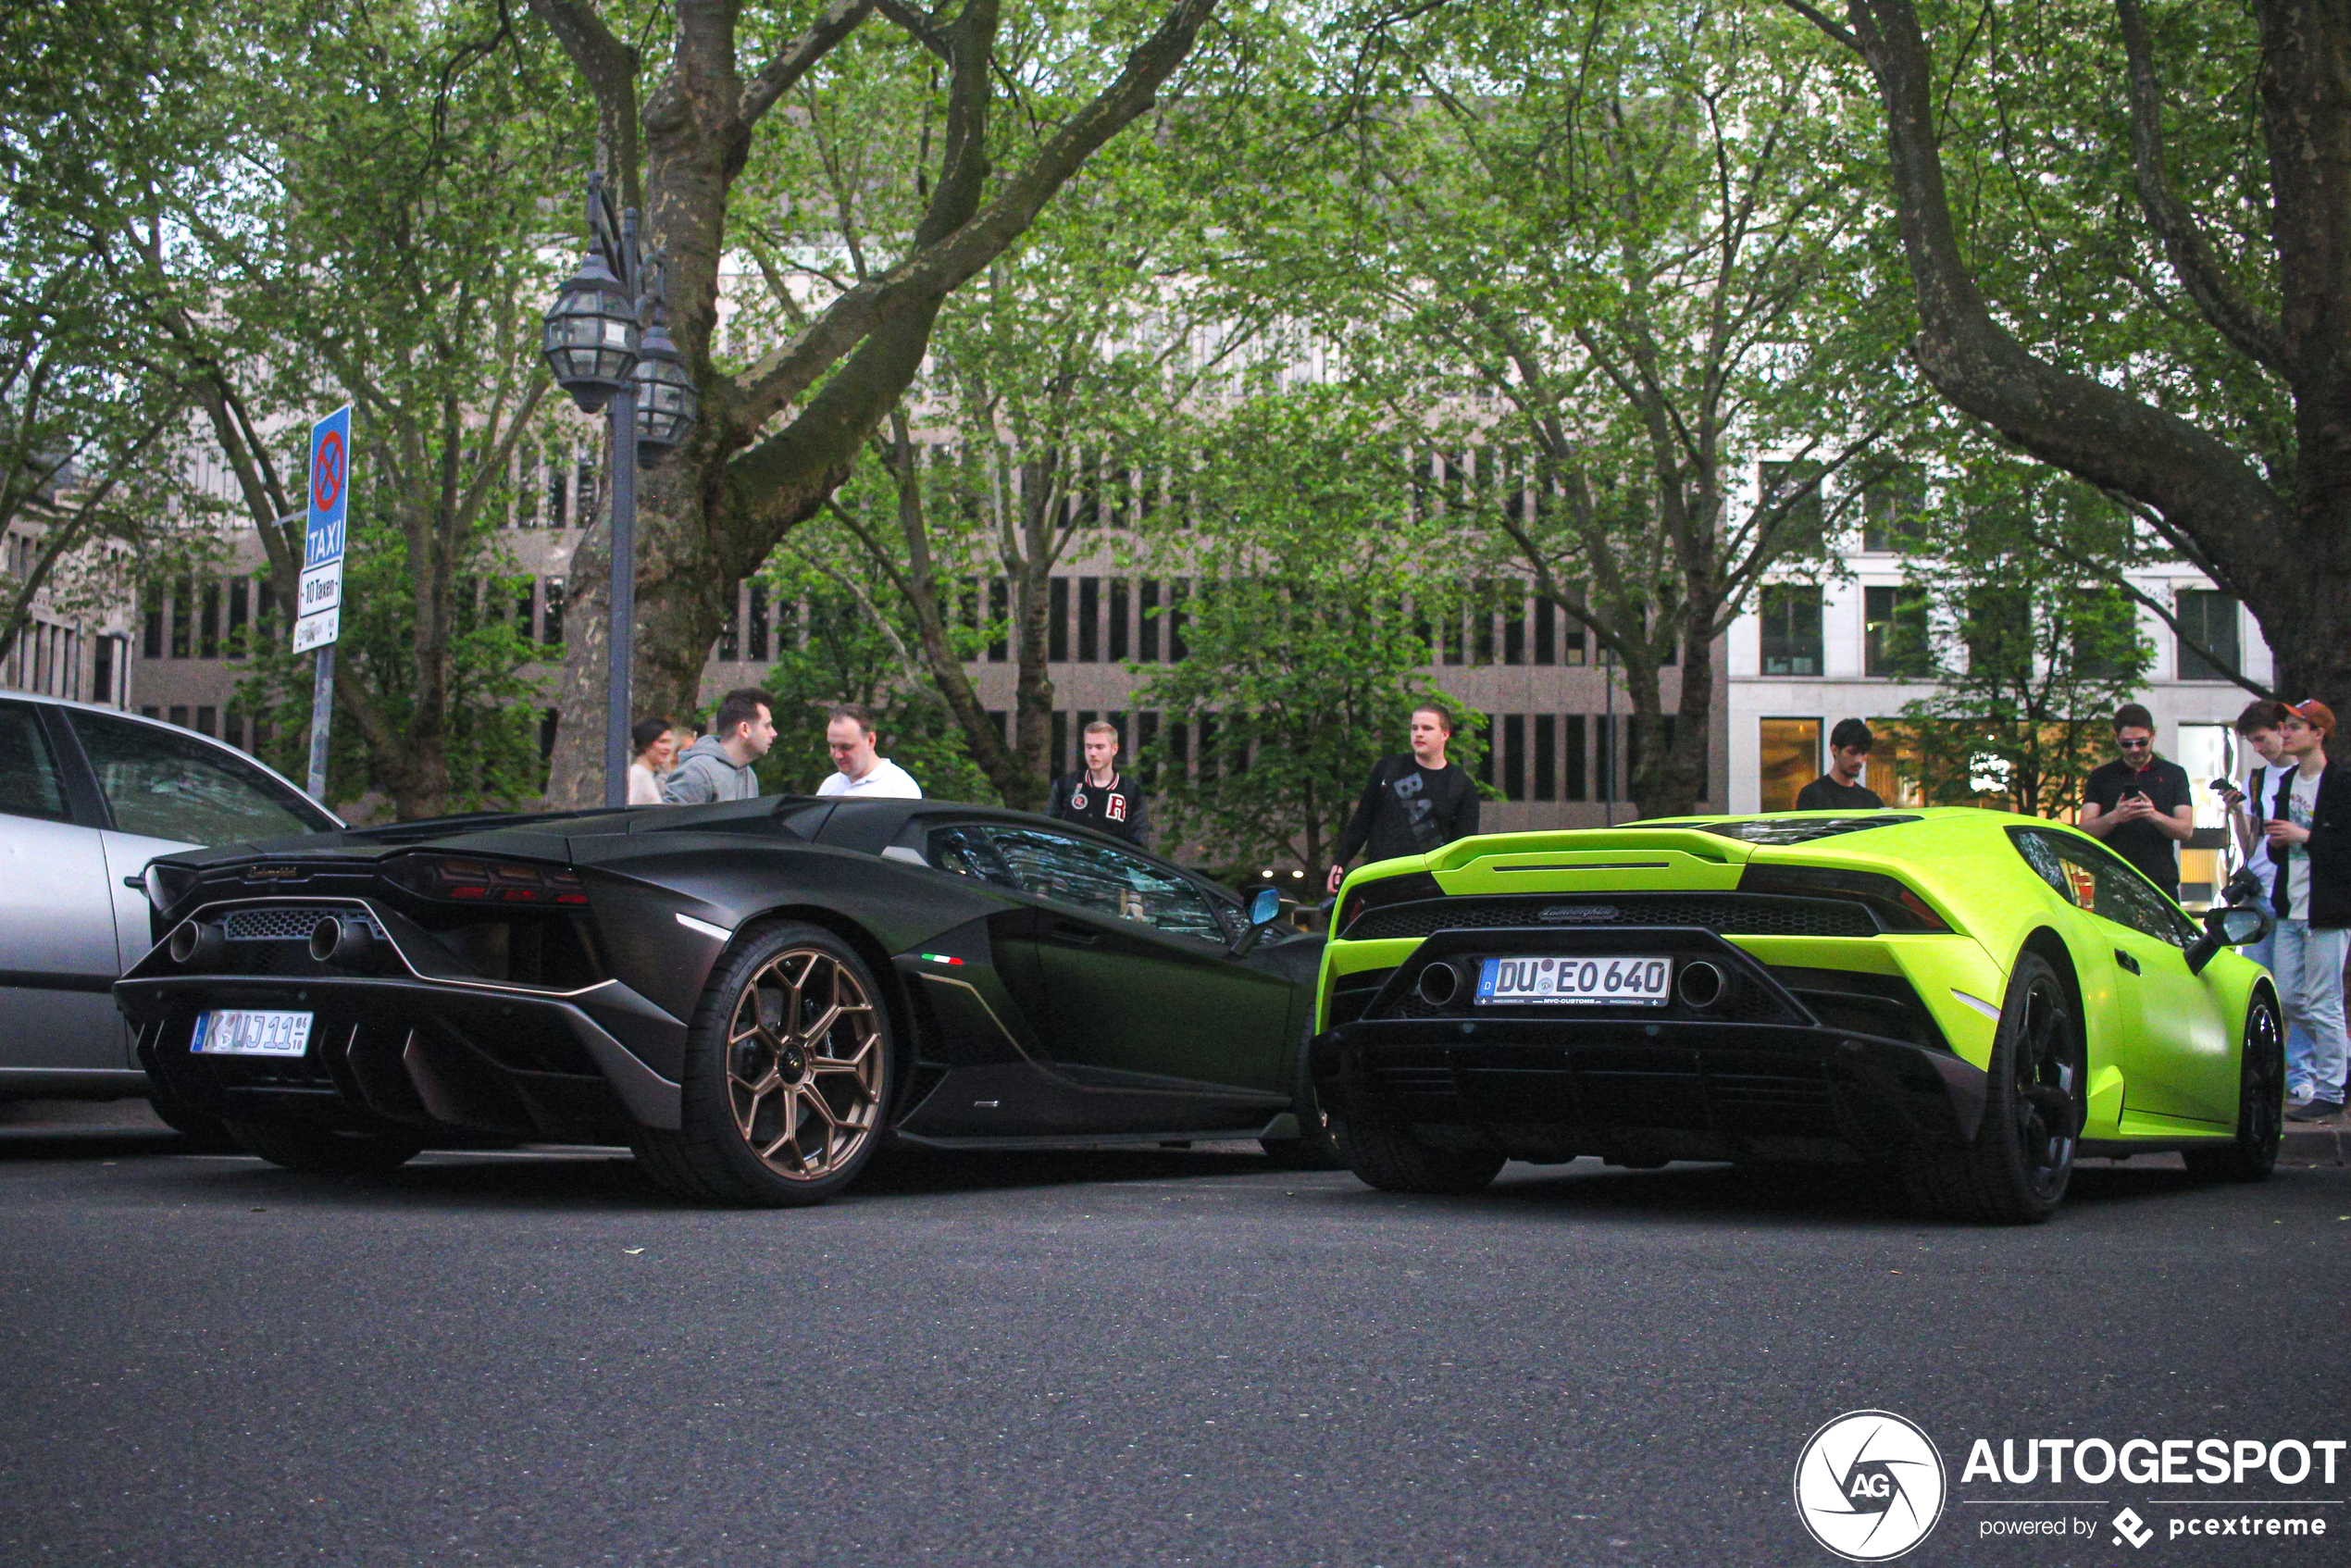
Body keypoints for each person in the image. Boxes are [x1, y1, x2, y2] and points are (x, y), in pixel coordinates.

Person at [2216, 699, 2320, 1100]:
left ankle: (2303, 1071)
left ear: (2282, 730)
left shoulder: (2305, 776)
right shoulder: (2259, 780)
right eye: (2253, 742)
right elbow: (2251, 844)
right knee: (2264, 985)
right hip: (2261, 888)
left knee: (2297, 989)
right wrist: (2236, 814)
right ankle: (2275, 1070)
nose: (2260, 748)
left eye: (2262, 739)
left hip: (2294, 891)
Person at [2259, 700, 2351, 1121]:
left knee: (2324, 1001)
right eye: (2286, 725)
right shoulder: (2287, 782)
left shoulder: (2340, 784)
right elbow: (2283, 854)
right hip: (2290, 907)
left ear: (2318, 733)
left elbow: (2343, 850)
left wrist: (2304, 836)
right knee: (2292, 999)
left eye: (2296, 726)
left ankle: (2332, 1089)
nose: (2287, 731)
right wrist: (2280, 843)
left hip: (2327, 911)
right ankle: (2338, 1064)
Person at [1325, 703, 1480, 896]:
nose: (1419, 734)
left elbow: (1462, 847)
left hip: (1427, 890)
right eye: (1414, 728)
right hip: (1379, 881)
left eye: (1427, 728)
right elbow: (1362, 819)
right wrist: (1339, 861)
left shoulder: (1462, 785)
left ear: (1445, 734)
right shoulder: (1388, 768)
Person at [2080, 703, 2195, 900]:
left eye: (2141, 742)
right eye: (2127, 744)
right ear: (2117, 740)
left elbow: (2186, 831)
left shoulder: (2173, 774)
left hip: (2160, 883)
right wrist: (2114, 817)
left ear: (2153, 735)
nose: (2135, 749)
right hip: (2112, 882)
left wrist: (2153, 816)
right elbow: (2084, 830)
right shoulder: (2102, 776)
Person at [662, 688, 776, 804]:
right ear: (745, 729)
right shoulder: (696, 772)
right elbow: (673, 821)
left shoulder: (749, 775)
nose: (774, 733)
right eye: (767, 726)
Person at [1047, 720, 1150, 845]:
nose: (1092, 753)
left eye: (1100, 747)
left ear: (1114, 749)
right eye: (1088, 747)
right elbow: (1049, 833)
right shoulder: (1066, 785)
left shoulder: (1131, 793)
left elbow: (1139, 845)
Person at [816, 703, 923, 799]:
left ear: (871, 741)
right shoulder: (830, 786)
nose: (838, 755)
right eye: (833, 746)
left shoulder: (900, 789)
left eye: (846, 747)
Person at [1794, 718, 1885, 810]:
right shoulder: (1812, 795)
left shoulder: (1872, 800)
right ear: (1835, 750)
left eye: (1863, 753)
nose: (1859, 760)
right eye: (1852, 752)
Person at [626, 716, 676, 806]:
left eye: (669, 742)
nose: (668, 748)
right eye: (662, 741)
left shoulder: (647, 774)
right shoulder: (638, 774)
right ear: (646, 743)